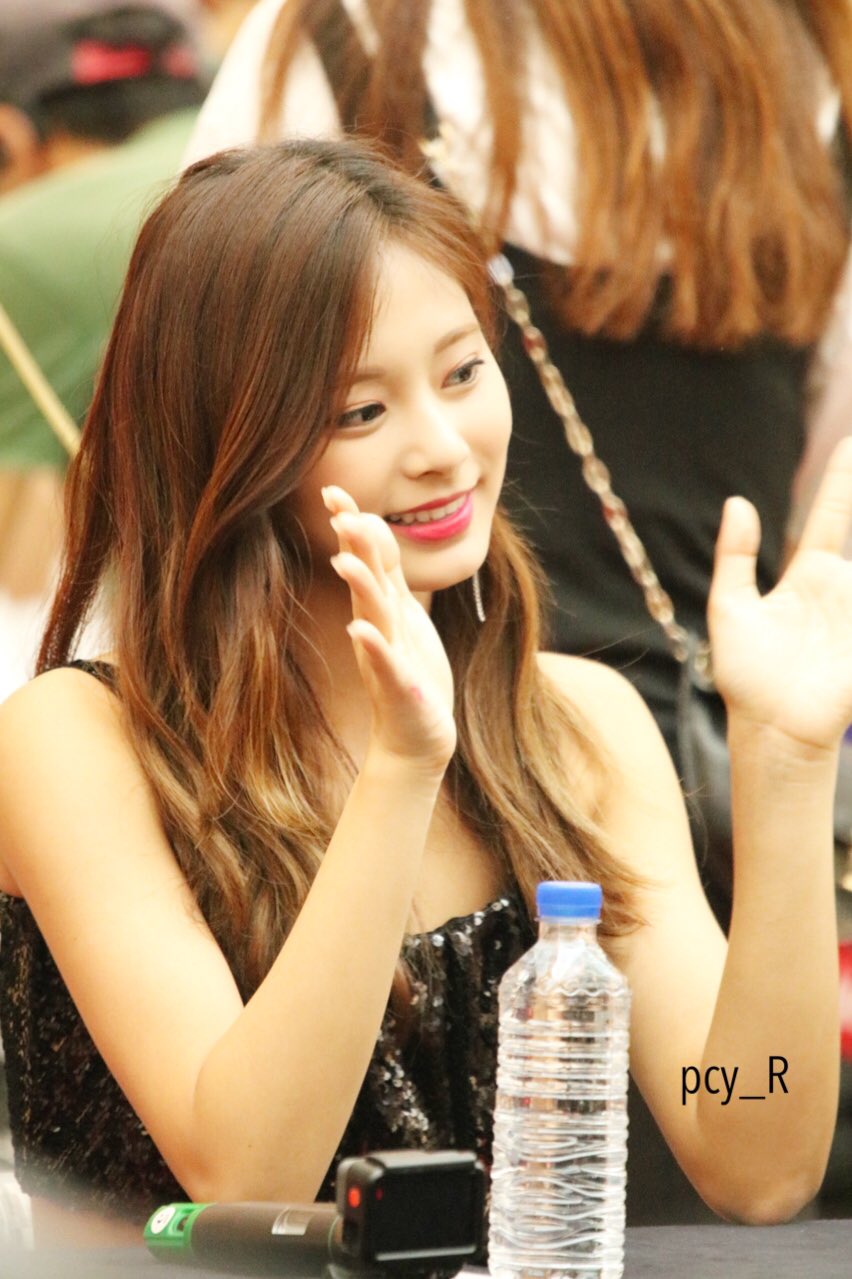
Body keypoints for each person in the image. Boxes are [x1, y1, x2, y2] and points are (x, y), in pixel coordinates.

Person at [0, 137, 849, 1247]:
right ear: (227, 442)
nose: (444, 448)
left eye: (461, 374)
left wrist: (785, 764)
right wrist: (402, 771)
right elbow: (246, 1171)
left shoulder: (577, 728)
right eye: (362, 412)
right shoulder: (80, 740)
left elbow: (753, 1150)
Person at [0, 0, 208, 697]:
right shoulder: (301, 154)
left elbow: (11, 563)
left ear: (7, 138)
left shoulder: (21, 243)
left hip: (190, 677)